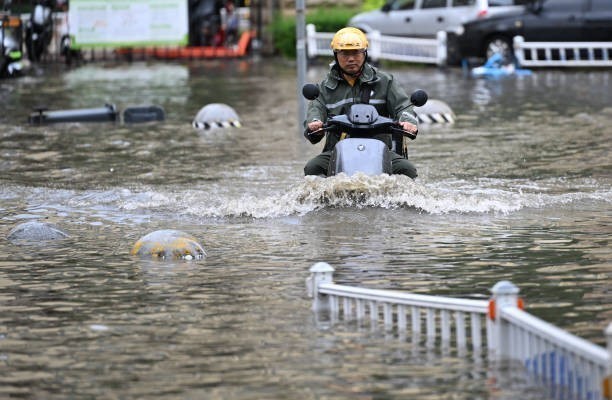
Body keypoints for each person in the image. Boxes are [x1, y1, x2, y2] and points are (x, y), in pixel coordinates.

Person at [303, 27, 420, 178]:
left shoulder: (385, 81)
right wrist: (315, 123)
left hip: (380, 151)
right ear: (336, 55)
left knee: (407, 169)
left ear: (364, 53)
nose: (351, 58)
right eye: (345, 53)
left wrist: (407, 121)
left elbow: (403, 106)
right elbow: (315, 110)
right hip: (336, 152)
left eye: (356, 52)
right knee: (313, 168)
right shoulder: (324, 88)